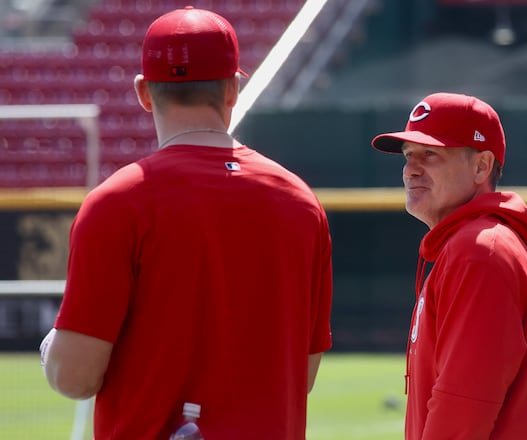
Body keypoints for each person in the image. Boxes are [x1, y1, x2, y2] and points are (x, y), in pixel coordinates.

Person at [38, 7, 333, 439]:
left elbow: (75, 377)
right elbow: (301, 375)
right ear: (233, 88)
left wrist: (52, 351)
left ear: (143, 92)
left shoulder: (117, 202)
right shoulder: (301, 202)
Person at [371, 92, 527, 439]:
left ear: (482, 166)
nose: (411, 168)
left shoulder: (479, 251)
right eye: (408, 156)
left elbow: (462, 404)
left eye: (430, 154)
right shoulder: (491, 243)